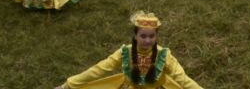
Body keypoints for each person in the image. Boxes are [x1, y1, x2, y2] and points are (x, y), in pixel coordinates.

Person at [53, 12, 207, 89]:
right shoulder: (124, 53)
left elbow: (181, 77)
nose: (147, 40)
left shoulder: (163, 54)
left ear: (156, 36)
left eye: (151, 36)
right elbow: (99, 70)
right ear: (135, 35)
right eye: (143, 36)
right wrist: (68, 85)